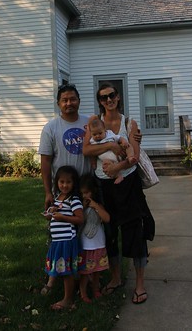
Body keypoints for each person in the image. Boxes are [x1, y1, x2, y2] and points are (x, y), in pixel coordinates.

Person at [83, 83, 155, 304]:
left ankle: (140, 284)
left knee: (135, 229)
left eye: (112, 95)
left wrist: (117, 167)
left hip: (128, 184)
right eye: (103, 97)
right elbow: (86, 150)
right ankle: (115, 278)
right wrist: (111, 148)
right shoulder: (95, 123)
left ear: (118, 97)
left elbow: (134, 155)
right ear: (100, 101)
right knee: (110, 231)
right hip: (103, 187)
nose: (108, 100)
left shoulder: (128, 123)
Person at [39, 83, 91, 295]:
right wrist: (49, 192)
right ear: (59, 103)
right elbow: (45, 162)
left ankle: (83, 275)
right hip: (63, 190)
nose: (69, 103)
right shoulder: (51, 128)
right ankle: (53, 277)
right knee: (58, 235)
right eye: (64, 100)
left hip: (86, 189)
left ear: (79, 100)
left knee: (86, 233)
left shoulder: (89, 123)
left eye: (73, 99)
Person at [43, 166, 84, 310]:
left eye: (68, 182)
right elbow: (54, 214)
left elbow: (80, 219)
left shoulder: (74, 200)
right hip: (57, 241)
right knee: (62, 269)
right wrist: (50, 213)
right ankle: (66, 295)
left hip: (67, 240)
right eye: (62, 182)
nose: (65, 185)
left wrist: (63, 218)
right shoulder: (58, 198)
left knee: (67, 272)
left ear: (74, 184)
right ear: (57, 182)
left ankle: (68, 299)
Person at [78, 174, 110, 303]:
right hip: (86, 244)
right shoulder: (80, 208)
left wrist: (96, 206)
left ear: (93, 191)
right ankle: (83, 293)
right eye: (82, 193)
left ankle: (96, 289)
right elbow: (78, 222)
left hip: (98, 243)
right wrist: (83, 208)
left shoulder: (98, 206)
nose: (84, 196)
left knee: (97, 271)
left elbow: (107, 218)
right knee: (85, 272)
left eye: (86, 192)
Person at [88, 115, 137, 184]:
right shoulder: (92, 141)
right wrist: (93, 163)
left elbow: (119, 138)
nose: (97, 136)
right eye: (94, 134)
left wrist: (124, 142)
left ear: (104, 130)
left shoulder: (109, 135)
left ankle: (130, 157)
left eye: (100, 133)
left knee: (129, 146)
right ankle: (118, 176)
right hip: (108, 160)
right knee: (105, 166)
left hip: (121, 156)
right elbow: (91, 152)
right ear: (91, 134)